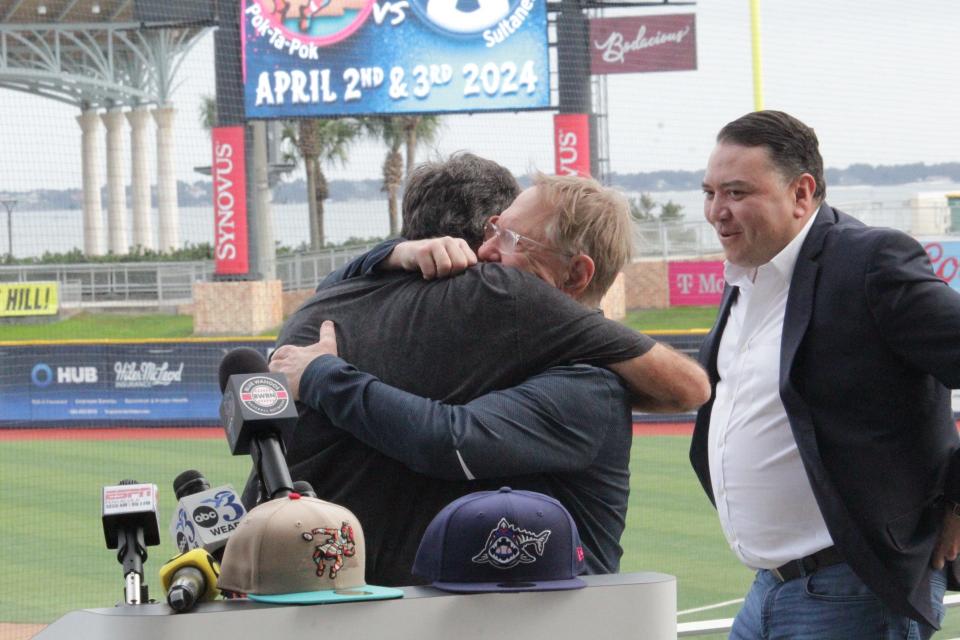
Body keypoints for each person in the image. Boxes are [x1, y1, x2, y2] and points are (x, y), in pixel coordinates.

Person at [257, 155, 709, 586]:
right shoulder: (500, 334)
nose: (485, 251)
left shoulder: (585, 380)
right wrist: (394, 254)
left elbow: (449, 439)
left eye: (512, 240)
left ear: (576, 275)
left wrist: (323, 375)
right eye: (494, 229)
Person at [691, 110, 960, 638]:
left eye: (737, 193)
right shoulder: (750, 274)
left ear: (801, 193)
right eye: (709, 192)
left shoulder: (869, 262)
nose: (716, 212)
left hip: (854, 591)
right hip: (770, 588)